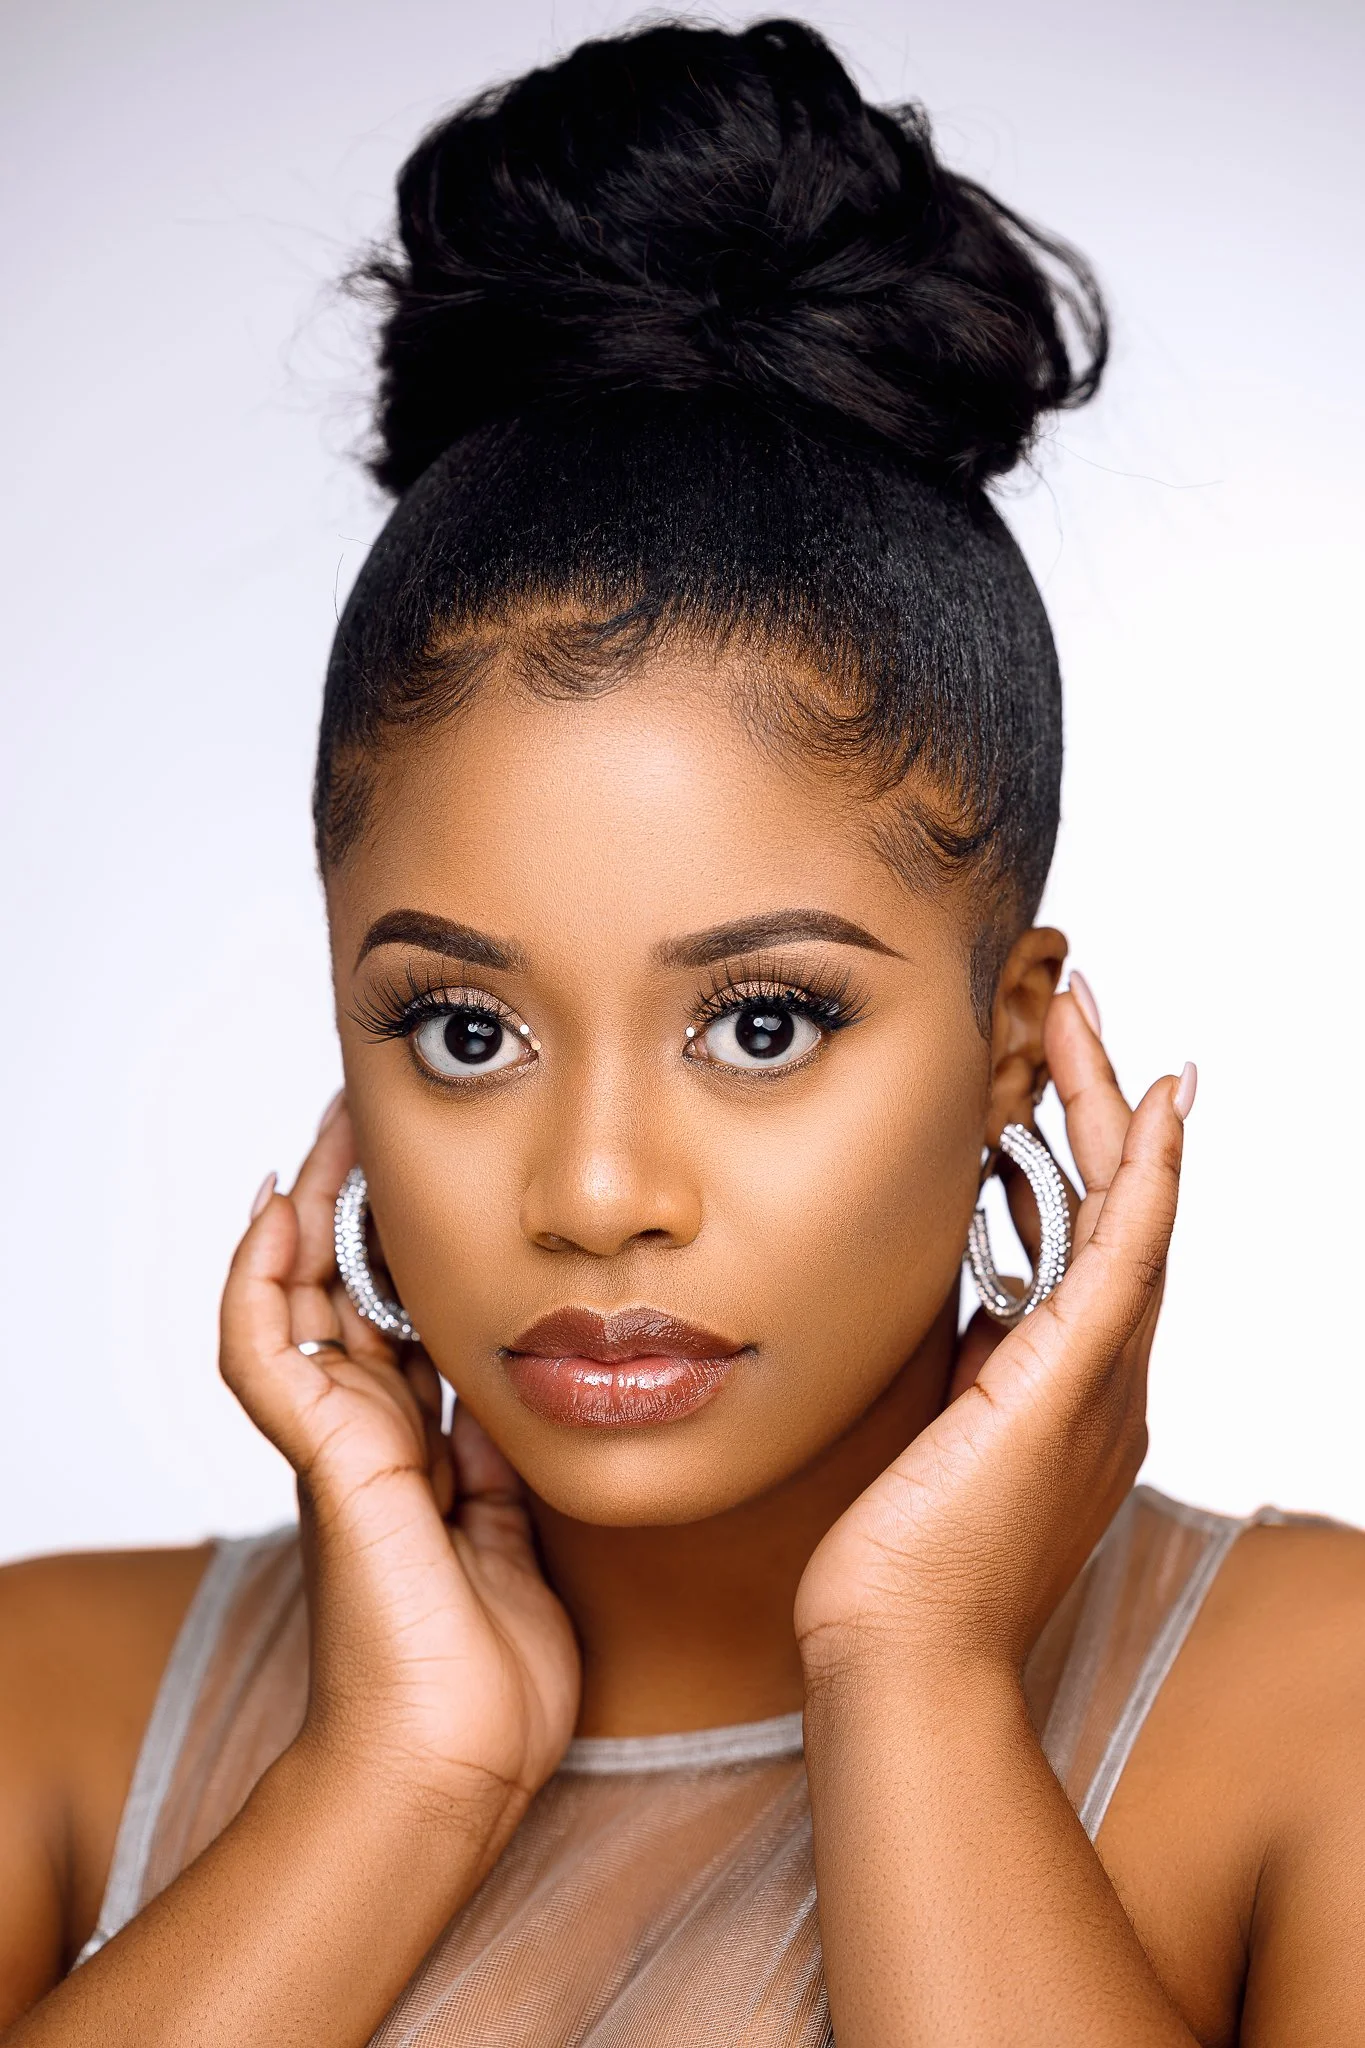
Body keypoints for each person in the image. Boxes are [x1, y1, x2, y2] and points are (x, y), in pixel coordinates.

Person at [1, 18, 1362, 2045]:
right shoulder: (52, 1705)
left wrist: (913, 1670)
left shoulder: (1313, 1713)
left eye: (759, 1019)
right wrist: (393, 1779)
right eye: (463, 1028)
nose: (595, 1192)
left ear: (1014, 1043)